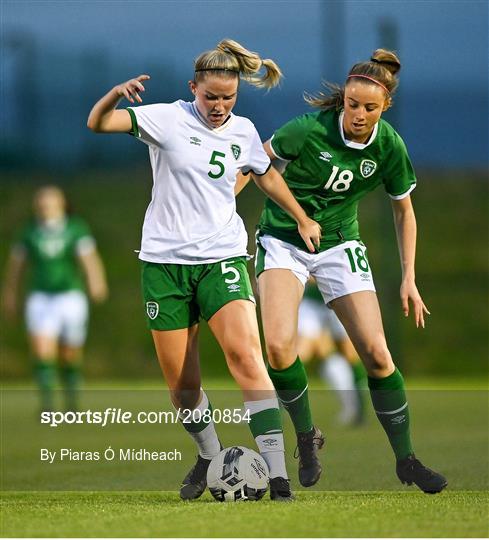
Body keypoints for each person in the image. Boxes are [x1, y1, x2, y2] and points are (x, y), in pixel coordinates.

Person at [87, 39, 321, 501]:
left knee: (247, 359)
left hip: (222, 258)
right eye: (210, 96)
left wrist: (301, 216)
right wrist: (115, 94)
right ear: (193, 88)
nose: (218, 106)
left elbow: (264, 172)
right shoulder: (166, 117)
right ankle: (210, 456)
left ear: (237, 95)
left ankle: (278, 478)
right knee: (182, 388)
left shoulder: (245, 130)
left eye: (227, 97)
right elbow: (98, 123)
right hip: (164, 265)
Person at [243, 48, 447, 493]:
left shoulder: (389, 145)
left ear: (384, 107)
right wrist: (288, 214)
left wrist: (409, 276)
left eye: (369, 108)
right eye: (352, 104)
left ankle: (407, 460)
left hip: (339, 245)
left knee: (376, 353)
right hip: (283, 239)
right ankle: (307, 437)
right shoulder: (309, 129)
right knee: (278, 348)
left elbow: (404, 211)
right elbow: (260, 166)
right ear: (344, 99)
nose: (358, 114)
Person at [1, 186, 108, 413]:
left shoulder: (75, 228)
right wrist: (10, 293)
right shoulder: (29, 231)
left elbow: (88, 259)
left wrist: (96, 281)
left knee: (70, 353)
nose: (45, 206)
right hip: (41, 297)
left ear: (61, 204)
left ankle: (71, 404)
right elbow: (16, 267)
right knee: (42, 350)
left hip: (70, 297)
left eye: (50, 202)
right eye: (41, 202)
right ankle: (48, 407)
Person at [297, 278, 366, 426]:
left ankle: (358, 409)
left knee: (350, 353)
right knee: (299, 353)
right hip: (312, 302)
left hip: (340, 296)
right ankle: (267, 406)